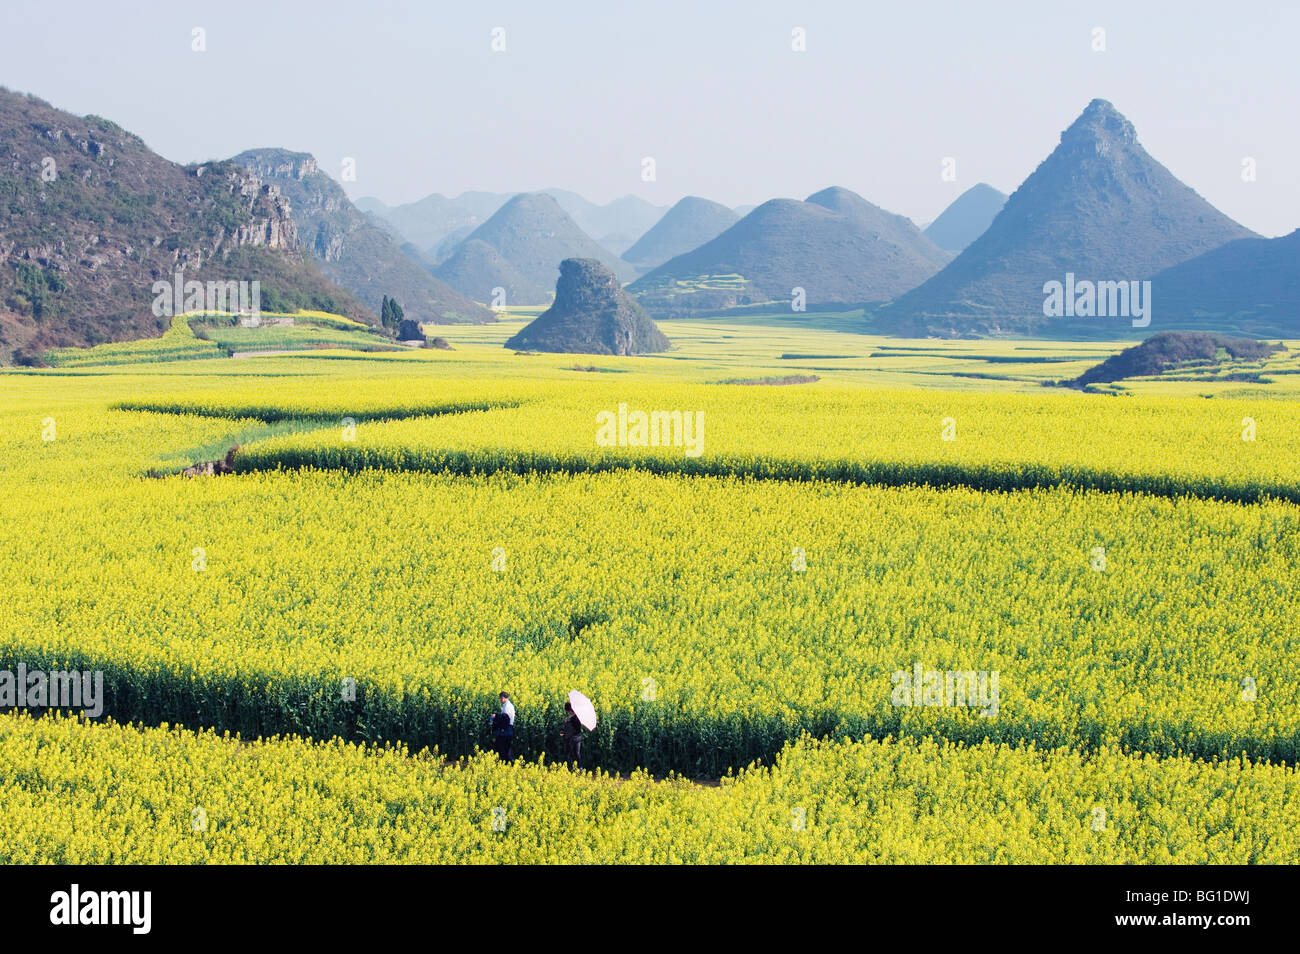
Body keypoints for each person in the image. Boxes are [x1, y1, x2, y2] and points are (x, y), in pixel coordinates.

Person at [490, 691, 514, 760]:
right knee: (505, 747)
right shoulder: (507, 705)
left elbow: (505, 718)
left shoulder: (507, 706)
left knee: (501, 746)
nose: (500, 700)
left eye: (500, 698)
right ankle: (507, 762)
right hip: (507, 728)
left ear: (503, 698)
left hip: (506, 728)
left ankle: (508, 761)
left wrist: (496, 716)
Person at [561, 700, 584, 769]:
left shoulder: (572, 719)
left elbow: (569, 730)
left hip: (571, 738)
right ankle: (580, 768)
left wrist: (563, 732)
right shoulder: (578, 716)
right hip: (578, 737)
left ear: (569, 710)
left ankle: (565, 768)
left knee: (567, 754)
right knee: (577, 753)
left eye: (567, 711)